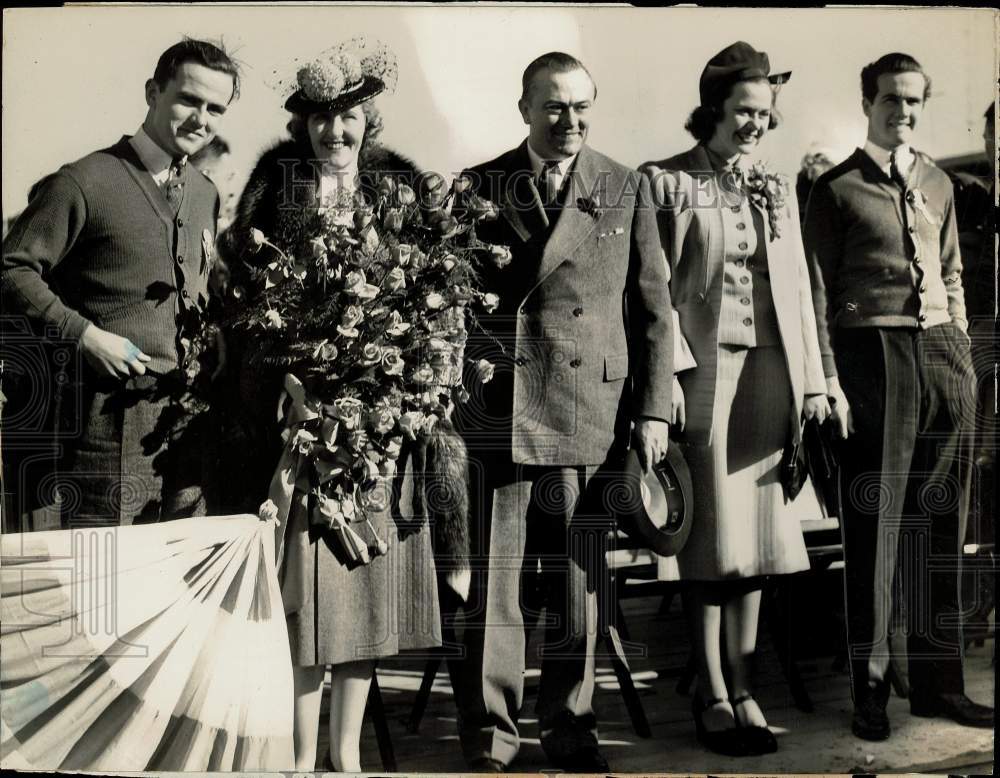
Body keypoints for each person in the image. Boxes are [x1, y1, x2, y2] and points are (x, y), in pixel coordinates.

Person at [222, 40, 442, 772]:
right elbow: (248, 295)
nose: (333, 132)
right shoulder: (273, 185)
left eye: (347, 116)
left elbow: (428, 300)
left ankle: (345, 758)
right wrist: (288, 380)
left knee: (361, 593)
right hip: (296, 423)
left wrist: (399, 388)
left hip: (381, 424)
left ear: (368, 117)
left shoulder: (398, 186)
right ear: (302, 123)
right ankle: (294, 756)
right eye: (318, 118)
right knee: (304, 591)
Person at [451, 51, 674, 773]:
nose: (569, 120)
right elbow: (450, 304)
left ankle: (571, 727)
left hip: (591, 407)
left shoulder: (623, 183)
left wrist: (653, 411)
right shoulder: (479, 185)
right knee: (498, 587)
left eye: (581, 106)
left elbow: (653, 310)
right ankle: (493, 732)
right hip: (505, 409)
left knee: (580, 584)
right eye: (553, 106)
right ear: (523, 109)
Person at [641, 41, 831, 757]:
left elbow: (803, 297)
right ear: (714, 108)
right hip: (704, 382)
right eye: (743, 111)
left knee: (759, 546)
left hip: (772, 378)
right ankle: (712, 692)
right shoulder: (667, 181)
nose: (755, 124)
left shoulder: (775, 184)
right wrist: (667, 385)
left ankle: (744, 683)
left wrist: (812, 382)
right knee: (710, 546)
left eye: (763, 112)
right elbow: (652, 294)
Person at [803, 52, 994, 741]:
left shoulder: (940, 182)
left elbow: (951, 274)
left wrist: (963, 355)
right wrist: (829, 381)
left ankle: (941, 686)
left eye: (914, 101)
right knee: (876, 535)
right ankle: (871, 690)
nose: (903, 111)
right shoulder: (834, 189)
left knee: (942, 529)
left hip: (943, 357)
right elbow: (817, 297)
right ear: (868, 102)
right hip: (870, 361)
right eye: (891, 99)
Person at [1, 39, 239, 526]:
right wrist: (84, 335)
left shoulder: (205, 193)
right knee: (106, 581)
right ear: (153, 92)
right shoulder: (84, 181)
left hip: (183, 426)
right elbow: (12, 270)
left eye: (215, 108)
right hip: (100, 423)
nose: (201, 118)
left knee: (173, 584)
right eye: (188, 100)